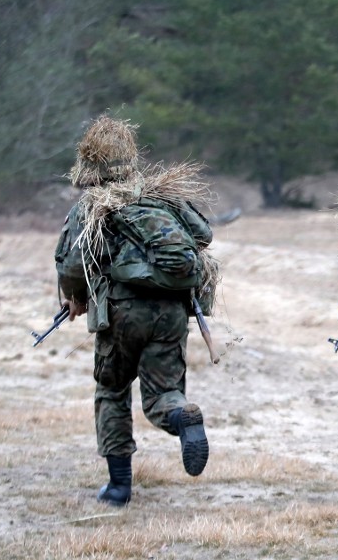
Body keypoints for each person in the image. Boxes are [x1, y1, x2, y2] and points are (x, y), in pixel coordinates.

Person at [54, 115, 215, 506]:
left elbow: (73, 264)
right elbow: (204, 235)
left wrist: (75, 298)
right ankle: (182, 417)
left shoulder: (92, 205)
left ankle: (118, 488)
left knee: (112, 390)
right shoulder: (165, 195)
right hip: (173, 310)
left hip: (122, 312)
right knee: (164, 393)